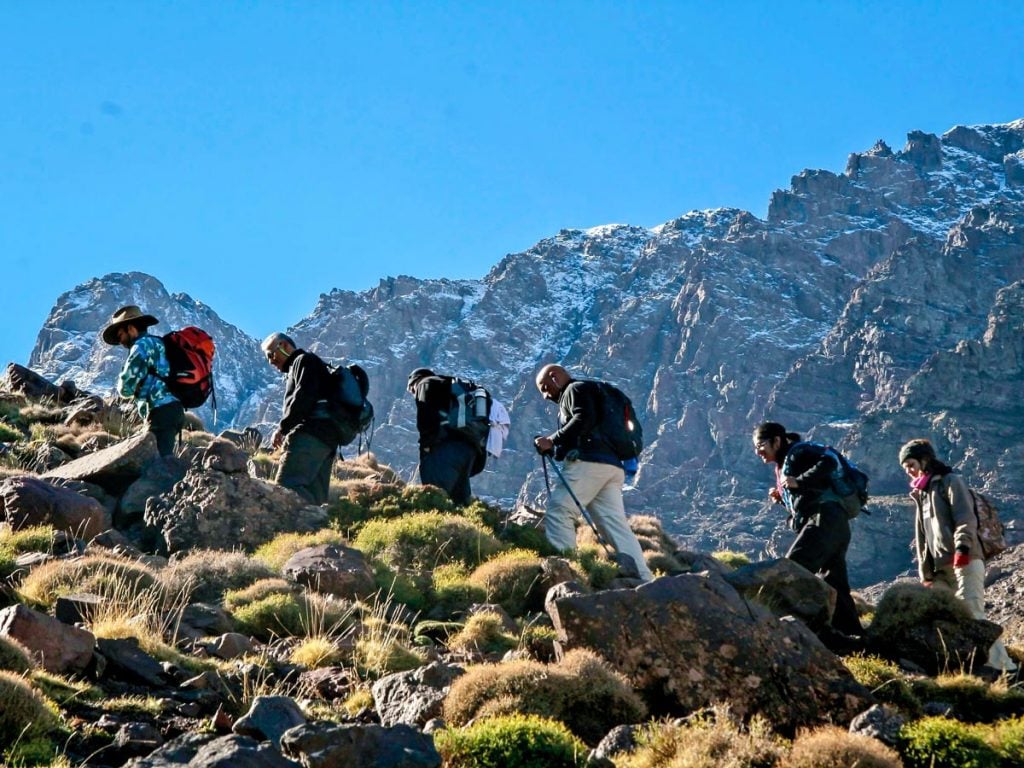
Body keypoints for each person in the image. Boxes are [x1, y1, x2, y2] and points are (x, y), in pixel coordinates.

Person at [899, 438, 1018, 674]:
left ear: (924, 460)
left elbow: (965, 517)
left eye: (911, 464)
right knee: (943, 614)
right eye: (905, 468)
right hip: (941, 568)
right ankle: (965, 665)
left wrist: (963, 549)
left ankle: (1004, 668)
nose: (909, 471)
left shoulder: (950, 482)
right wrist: (926, 573)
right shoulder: (921, 493)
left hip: (965, 559)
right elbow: (923, 539)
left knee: (972, 611)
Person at [532, 364, 654, 582]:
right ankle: (644, 579)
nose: (544, 395)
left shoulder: (573, 390)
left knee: (560, 510)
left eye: (544, 387)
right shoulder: (594, 391)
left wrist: (551, 440)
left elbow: (582, 419)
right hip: (613, 467)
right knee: (615, 525)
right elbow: (582, 428)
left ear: (555, 376)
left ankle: (567, 576)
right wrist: (556, 448)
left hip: (588, 464)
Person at [753, 421, 863, 640]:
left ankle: (770, 629)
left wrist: (797, 481)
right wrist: (782, 499)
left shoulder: (798, 452)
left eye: (761, 445)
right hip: (835, 523)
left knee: (791, 569)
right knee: (835, 582)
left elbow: (829, 463)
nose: (758, 452)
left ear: (777, 440)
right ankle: (854, 638)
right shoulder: (789, 459)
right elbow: (807, 495)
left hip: (825, 520)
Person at [261, 332, 341, 505]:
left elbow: (303, 398)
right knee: (316, 498)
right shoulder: (308, 364)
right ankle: (317, 528)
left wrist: (283, 428)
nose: (271, 361)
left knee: (285, 487)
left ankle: (293, 528)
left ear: (284, 346)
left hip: (309, 436)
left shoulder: (304, 361)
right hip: (327, 441)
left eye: (271, 354)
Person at [101, 305, 185, 457]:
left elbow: (125, 388)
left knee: (156, 464)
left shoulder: (140, 347)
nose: (120, 341)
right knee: (166, 459)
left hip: (160, 411)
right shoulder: (160, 343)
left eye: (120, 335)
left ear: (131, 328)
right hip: (176, 409)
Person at [406, 368, 483, 506]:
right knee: (460, 502)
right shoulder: (452, 387)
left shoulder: (425, 383)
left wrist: (426, 449)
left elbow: (426, 418)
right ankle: (463, 526)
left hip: (445, 449)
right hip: (469, 450)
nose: (413, 393)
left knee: (434, 497)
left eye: (412, 390)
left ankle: (436, 526)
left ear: (414, 382)